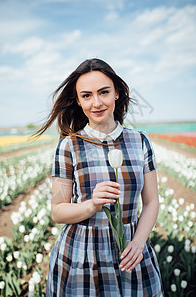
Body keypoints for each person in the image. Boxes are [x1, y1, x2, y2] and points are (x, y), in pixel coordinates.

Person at [37, 58, 164, 296]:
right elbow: (58, 211)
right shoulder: (69, 146)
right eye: (86, 95)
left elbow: (151, 202)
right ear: (78, 100)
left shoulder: (140, 142)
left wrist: (138, 243)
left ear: (117, 93)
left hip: (130, 249)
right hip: (82, 253)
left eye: (104, 92)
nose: (96, 102)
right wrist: (92, 205)